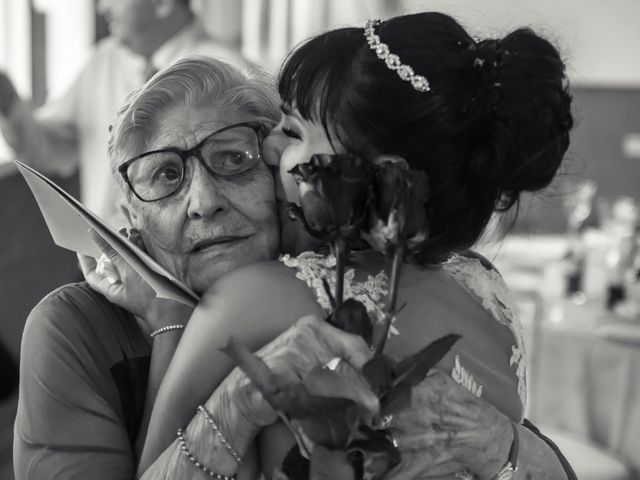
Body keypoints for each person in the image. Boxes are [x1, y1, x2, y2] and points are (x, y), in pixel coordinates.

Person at [98, 12, 574, 480]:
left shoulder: (254, 298)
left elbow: (158, 471)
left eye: (295, 132)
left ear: (380, 173)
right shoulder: (485, 286)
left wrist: (169, 323)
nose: (270, 151)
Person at [13, 57, 280, 480]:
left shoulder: (335, 287)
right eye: (167, 175)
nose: (204, 201)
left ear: (281, 174)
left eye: (233, 159)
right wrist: (170, 323)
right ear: (133, 217)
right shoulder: (74, 327)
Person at [0, 0, 251, 226]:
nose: (101, 7)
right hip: (101, 258)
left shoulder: (231, 75)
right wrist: (8, 101)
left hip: (189, 260)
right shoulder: (103, 61)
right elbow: (54, 152)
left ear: (162, 3)